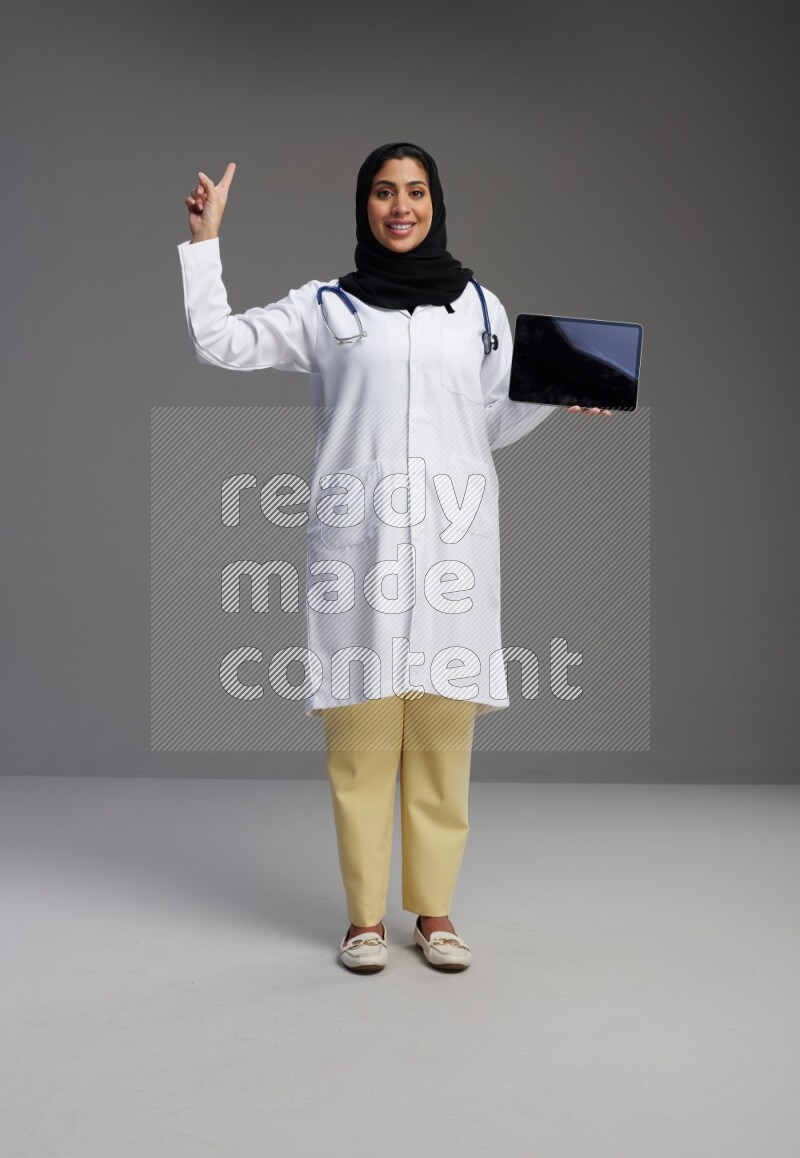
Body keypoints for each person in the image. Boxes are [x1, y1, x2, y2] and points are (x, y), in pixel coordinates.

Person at [178, 141, 610, 974]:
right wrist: (206, 242)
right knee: (363, 743)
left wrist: (559, 394)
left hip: (451, 547)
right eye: (384, 192)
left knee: (444, 739)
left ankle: (436, 915)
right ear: (364, 206)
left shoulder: (481, 310)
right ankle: (365, 920)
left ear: (435, 202)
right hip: (359, 554)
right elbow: (220, 343)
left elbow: (487, 423)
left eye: (414, 191)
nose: (400, 206)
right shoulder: (326, 308)